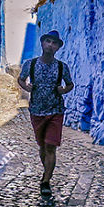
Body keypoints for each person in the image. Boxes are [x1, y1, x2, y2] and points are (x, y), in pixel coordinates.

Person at [17, 30, 74, 194]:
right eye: (48, 41)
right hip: (36, 111)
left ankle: (46, 181)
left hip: (55, 110)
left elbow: (70, 84)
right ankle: (46, 172)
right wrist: (26, 86)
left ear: (57, 48)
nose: (50, 45)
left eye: (54, 43)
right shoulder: (31, 64)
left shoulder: (62, 67)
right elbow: (21, 78)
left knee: (50, 146)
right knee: (42, 146)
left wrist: (63, 90)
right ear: (42, 43)